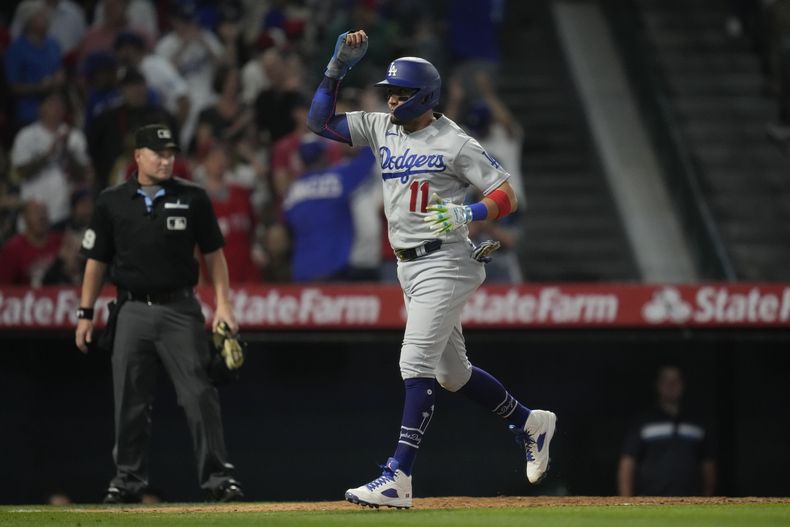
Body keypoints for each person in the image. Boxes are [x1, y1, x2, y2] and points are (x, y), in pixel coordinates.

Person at [307, 30, 557, 509]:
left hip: (446, 259)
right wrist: (335, 69)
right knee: (453, 374)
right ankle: (530, 422)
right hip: (408, 264)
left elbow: (506, 194)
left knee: (413, 362)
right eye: (389, 92)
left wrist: (470, 212)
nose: (392, 99)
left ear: (424, 96)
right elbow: (320, 123)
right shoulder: (381, 126)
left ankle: (398, 476)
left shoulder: (454, 141)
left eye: (400, 93)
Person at [74, 124, 244, 503]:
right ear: (138, 156)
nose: (166, 160)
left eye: (169, 154)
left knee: (199, 395)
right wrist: (85, 312)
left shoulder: (192, 196)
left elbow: (214, 254)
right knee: (130, 401)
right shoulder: (111, 200)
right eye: (158, 153)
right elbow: (96, 260)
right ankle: (126, 481)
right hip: (131, 309)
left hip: (180, 308)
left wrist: (224, 304)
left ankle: (219, 479)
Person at [617, 365, 717, 497]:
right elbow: (627, 462)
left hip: (690, 501)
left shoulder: (697, 423)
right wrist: (626, 500)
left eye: (676, 381)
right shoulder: (643, 422)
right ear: (657, 385)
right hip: (649, 500)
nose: (671, 385)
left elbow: (708, 464)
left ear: (683, 385)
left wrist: (707, 498)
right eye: (666, 381)